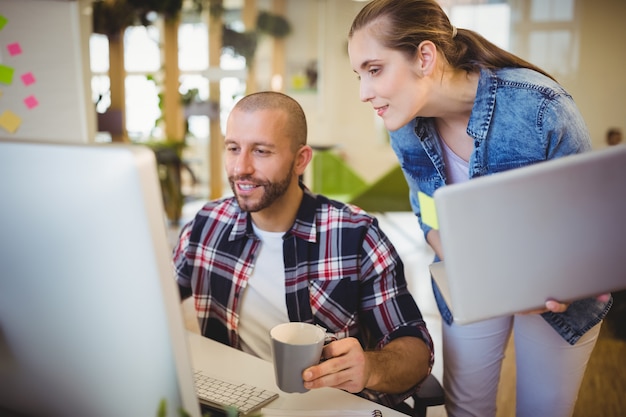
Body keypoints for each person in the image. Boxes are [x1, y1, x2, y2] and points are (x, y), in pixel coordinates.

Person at [347, 1, 612, 416]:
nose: (363, 92)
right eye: (358, 75)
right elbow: (429, 216)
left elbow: (595, 228)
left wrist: (557, 281)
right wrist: (482, 270)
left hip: (555, 293)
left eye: (374, 69)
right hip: (471, 281)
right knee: (465, 410)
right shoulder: (404, 127)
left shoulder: (540, 107)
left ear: (425, 56)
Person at [172, 91, 434, 408]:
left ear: (301, 160)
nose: (241, 167)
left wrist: (371, 367)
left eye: (261, 151)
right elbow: (155, 303)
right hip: (232, 402)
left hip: (326, 407)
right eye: (233, 148)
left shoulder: (356, 235)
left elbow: (415, 350)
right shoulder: (206, 225)